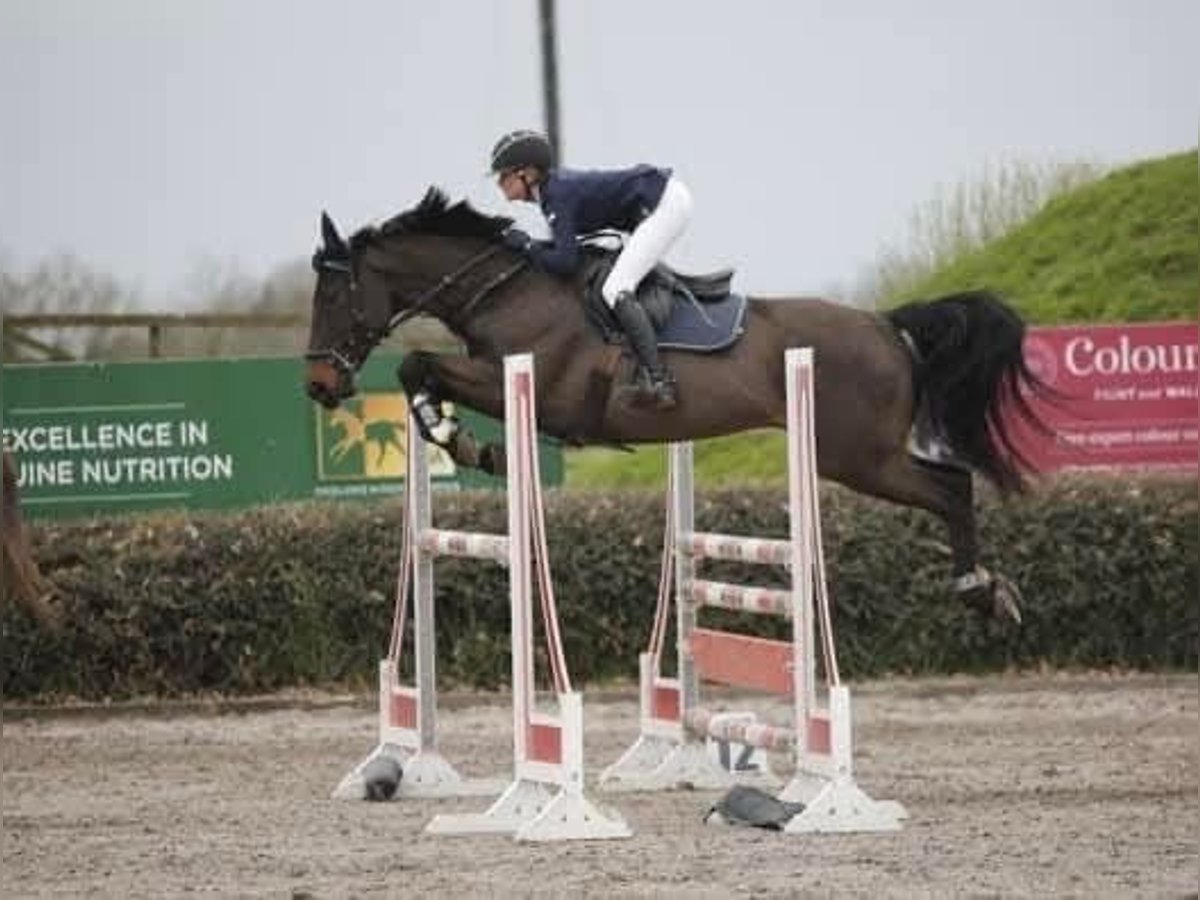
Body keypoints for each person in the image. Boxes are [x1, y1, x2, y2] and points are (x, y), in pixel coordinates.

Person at [490, 129, 692, 410]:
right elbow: (570, 249)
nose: (500, 183)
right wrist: (533, 246)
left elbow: (565, 262)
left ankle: (659, 381)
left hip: (664, 204)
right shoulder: (551, 192)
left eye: (505, 175)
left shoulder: (556, 194)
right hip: (656, 202)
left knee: (616, 289)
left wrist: (527, 246)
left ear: (529, 173)